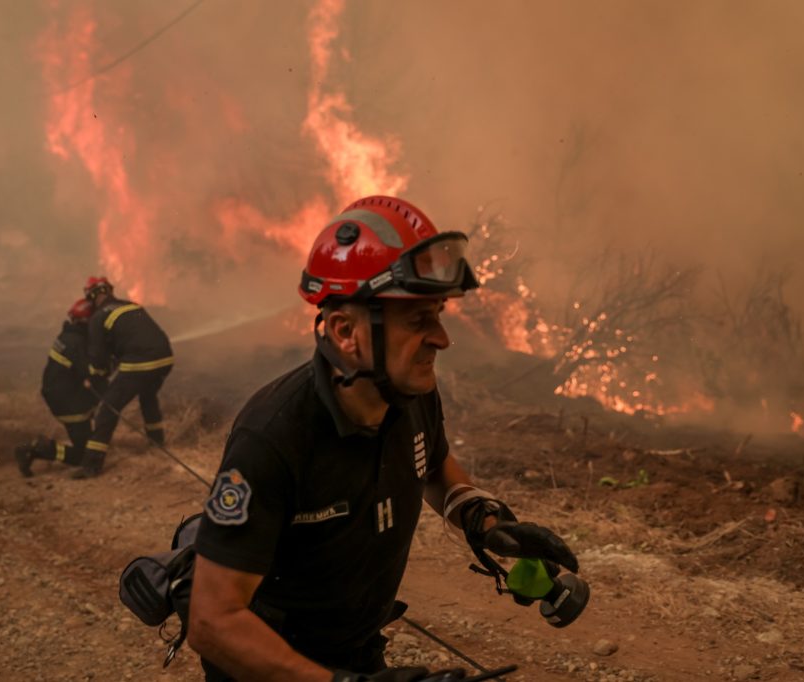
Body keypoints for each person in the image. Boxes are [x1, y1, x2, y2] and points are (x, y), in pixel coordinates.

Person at [187, 196, 581, 682]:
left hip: (361, 657)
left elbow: (432, 464)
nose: (442, 338)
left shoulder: (411, 394)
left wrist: (483, 520)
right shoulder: (272, 437)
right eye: (419, 321)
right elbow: (211, 622)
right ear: (346, 331)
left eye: (438, 315)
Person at [75, 276, 174, 479]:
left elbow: (98, 358)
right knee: (148, 396)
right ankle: (156, 440)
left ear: (91, 296)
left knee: (107, 410)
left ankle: (91, 465)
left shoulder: (99, 317)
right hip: (165, 359)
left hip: (140, 363)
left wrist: (98, 378)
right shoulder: (130, 306)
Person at [14, 298, 101, 477]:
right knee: (85, 456)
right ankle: (38, 449)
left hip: (61, 397)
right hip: (70, 403)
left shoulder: (68, 336)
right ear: (86, 322)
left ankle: (36, 449)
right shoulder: (77, 343)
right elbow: (91, 372)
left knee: (89, 445)